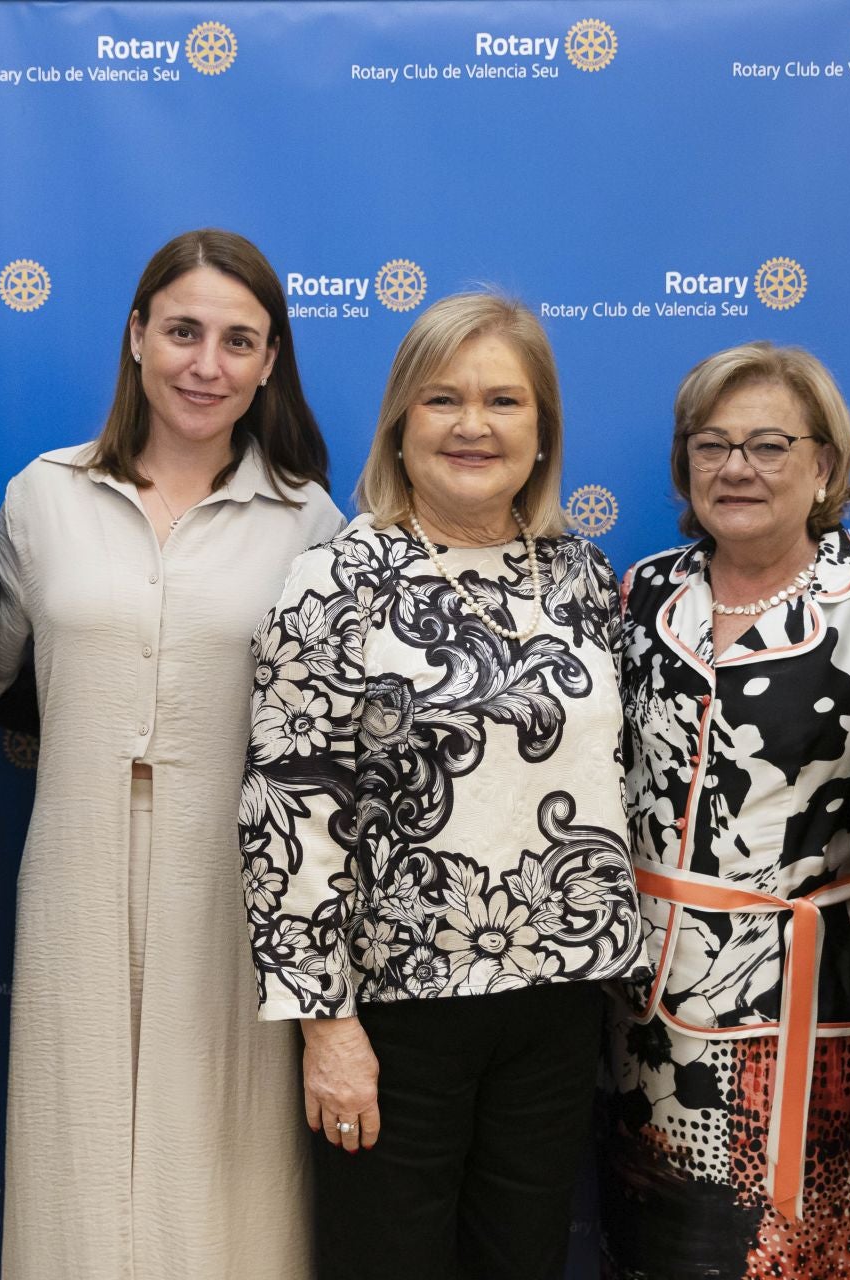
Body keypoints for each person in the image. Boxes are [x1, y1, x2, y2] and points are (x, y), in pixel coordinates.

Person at [239, 291, 646, 1279]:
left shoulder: (586, 578)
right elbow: (290, 814)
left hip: (557, 998)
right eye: (443, 399)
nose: (474, 425)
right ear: (399, 424)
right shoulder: (335, 578)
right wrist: (327, 1024)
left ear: (541, 428)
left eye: (504, 400)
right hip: (394, 1010)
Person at [0, 228, 344, 1278]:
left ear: (270, 361)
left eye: (239, 340)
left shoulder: (311, 522)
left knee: (223, 1155)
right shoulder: (41, 497)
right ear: (136, 335)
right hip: (74, 865)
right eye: (183, 330)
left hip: (236, 884)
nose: (206, 362)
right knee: (75, 1141)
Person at [602, 341, 850, 1279]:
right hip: (640, 1019)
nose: (736, 467)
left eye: (771, 445)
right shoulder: (642, 592)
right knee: (647, 1254)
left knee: (785, 1261)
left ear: (825, 466)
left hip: (811, 1031)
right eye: (712, 444)